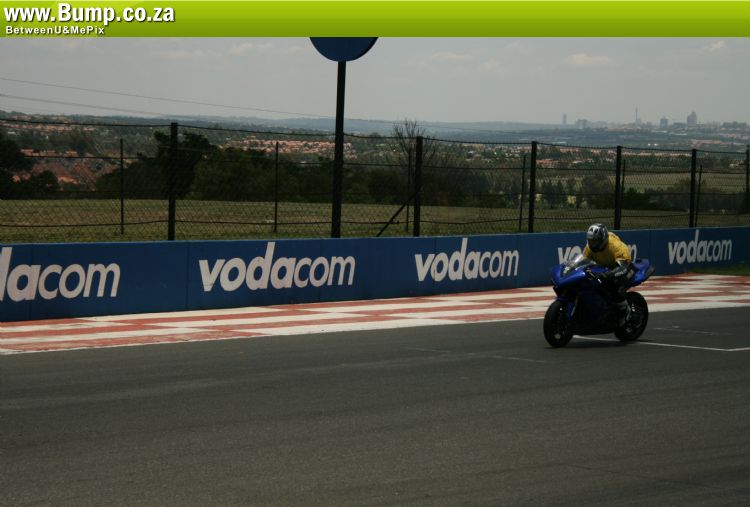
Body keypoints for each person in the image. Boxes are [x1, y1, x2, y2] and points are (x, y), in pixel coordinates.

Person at [583, 223, 633, 326]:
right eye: (590, 240)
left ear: (602, 239)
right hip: (604, 269)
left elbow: (624, 267)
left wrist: (609, 274)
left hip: (622, 267)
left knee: (615, 283)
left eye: (594, 241)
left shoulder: (616, 246)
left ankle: (625, 311)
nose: (592, 244)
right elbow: (583, 262)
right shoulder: (589, 247)